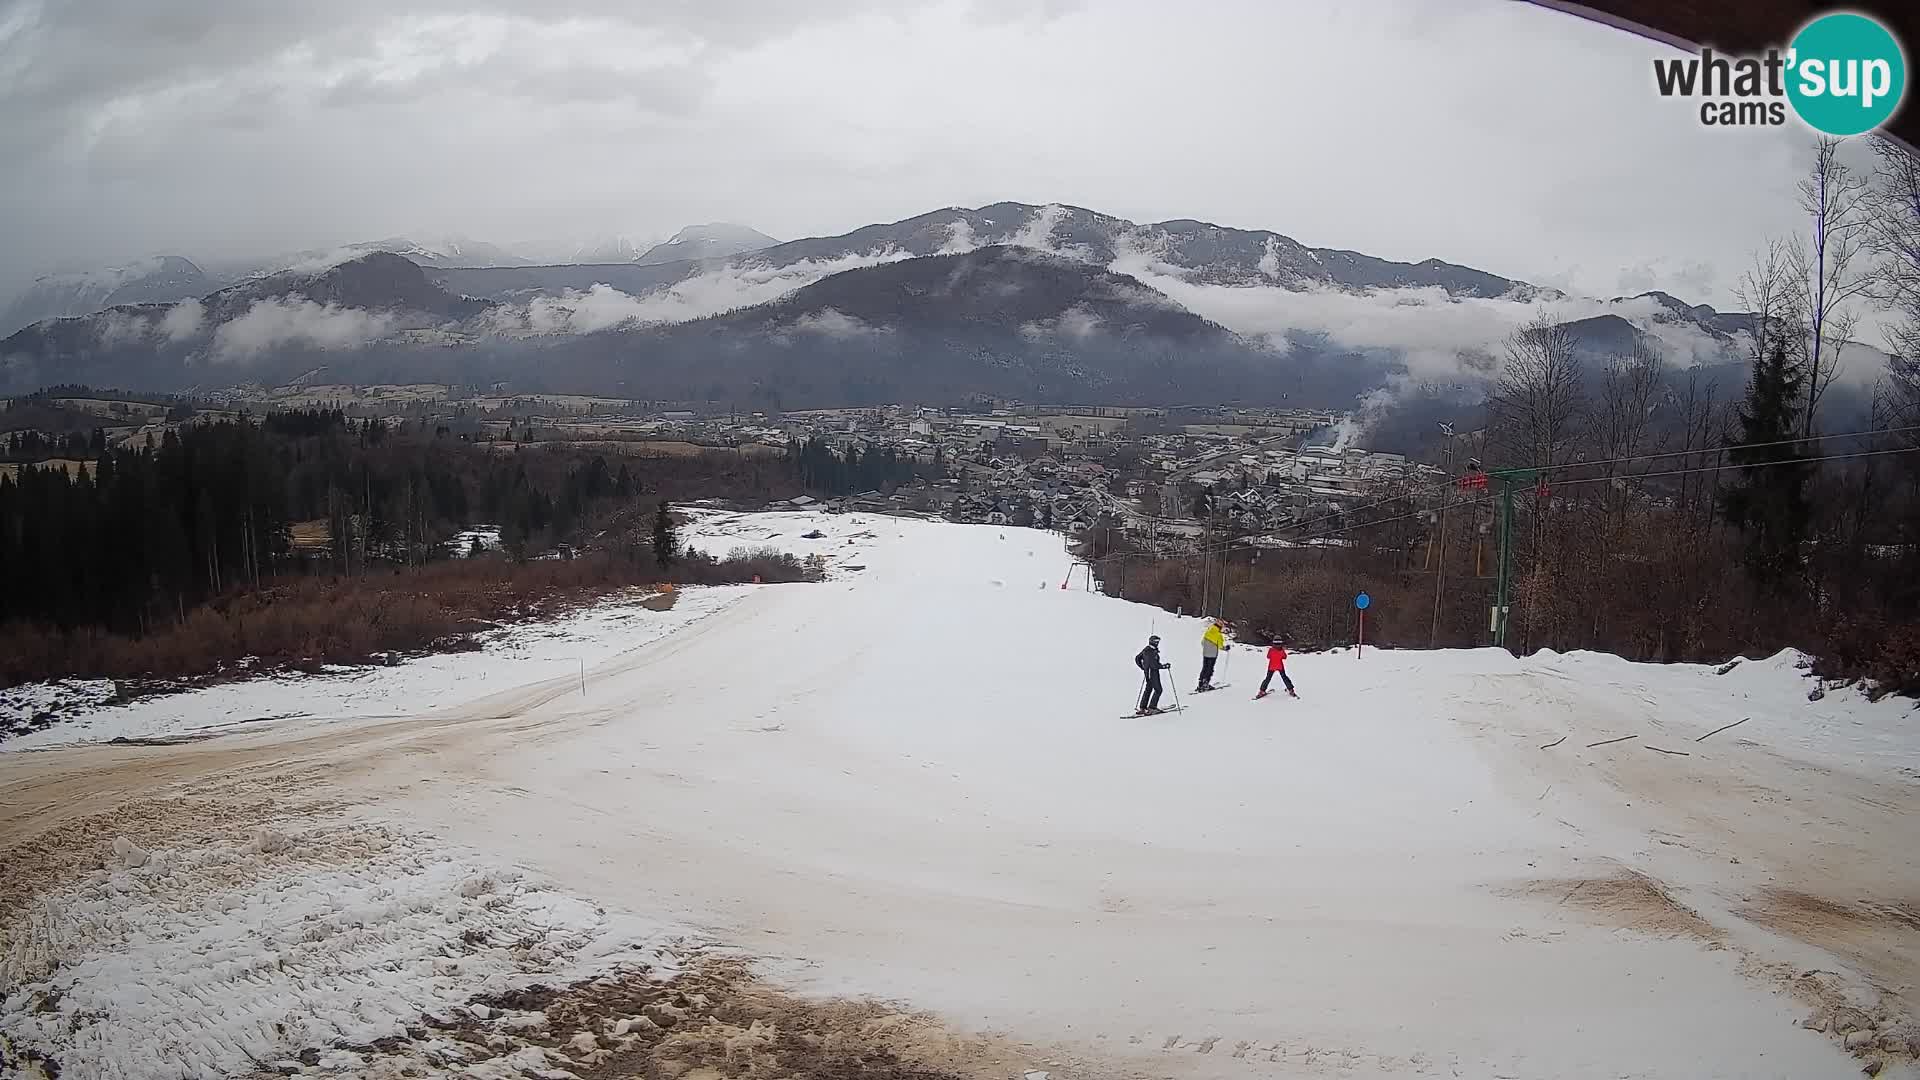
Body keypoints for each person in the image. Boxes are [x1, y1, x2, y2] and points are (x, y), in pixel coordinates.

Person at [1134, 634, 1171, 714]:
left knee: (1149, 688)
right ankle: (1152, 707)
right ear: (1152, 642)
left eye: (1158, 641)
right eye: (1156, 641)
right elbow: (1153, 664)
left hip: (1149, 672)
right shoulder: (1149, 651)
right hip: (1152, 672)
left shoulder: (1147, 650)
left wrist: (1144, 667)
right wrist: (1164, 666)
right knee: (1158, 690)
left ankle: (1143, 707)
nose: (1157, 643)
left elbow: (1138, 658)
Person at [1196, 619, 1229, 691]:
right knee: (1210, 669)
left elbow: (1202, 642)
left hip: (1205, 653)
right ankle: (1206, 684)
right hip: (1213, 655)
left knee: (1204, 668)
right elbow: (1220, 646)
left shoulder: (1208, 632)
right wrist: (1226, 648)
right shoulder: (1218, 635)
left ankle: (1200, 683)